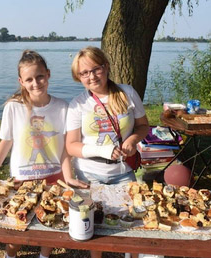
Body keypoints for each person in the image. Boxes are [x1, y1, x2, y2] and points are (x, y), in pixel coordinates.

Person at [0, 49, 87, 258]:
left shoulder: (63, 107)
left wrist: (68, 176)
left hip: (54, 177)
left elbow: (65, 148)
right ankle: (10, 255)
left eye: (40, 77)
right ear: (21, 81)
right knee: (17, 225)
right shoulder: (13, 107)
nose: (36, 83)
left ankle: (44, 255)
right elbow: (6, 141)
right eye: (29, 79)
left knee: (50, 222)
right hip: (22, 179)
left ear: (48, 74)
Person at [66, 46, 149, 258]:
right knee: (94, 223)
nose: (91, 76)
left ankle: (132, 254)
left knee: (132, 218)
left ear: (106, 67)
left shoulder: (127, 92)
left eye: (96, 69)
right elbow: (71, 145)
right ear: (78, 77)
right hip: (89, 174)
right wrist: (102, 150)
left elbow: (143, 126)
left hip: (123, 171)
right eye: (84, 73)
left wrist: (132, 140)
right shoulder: (78, 105)